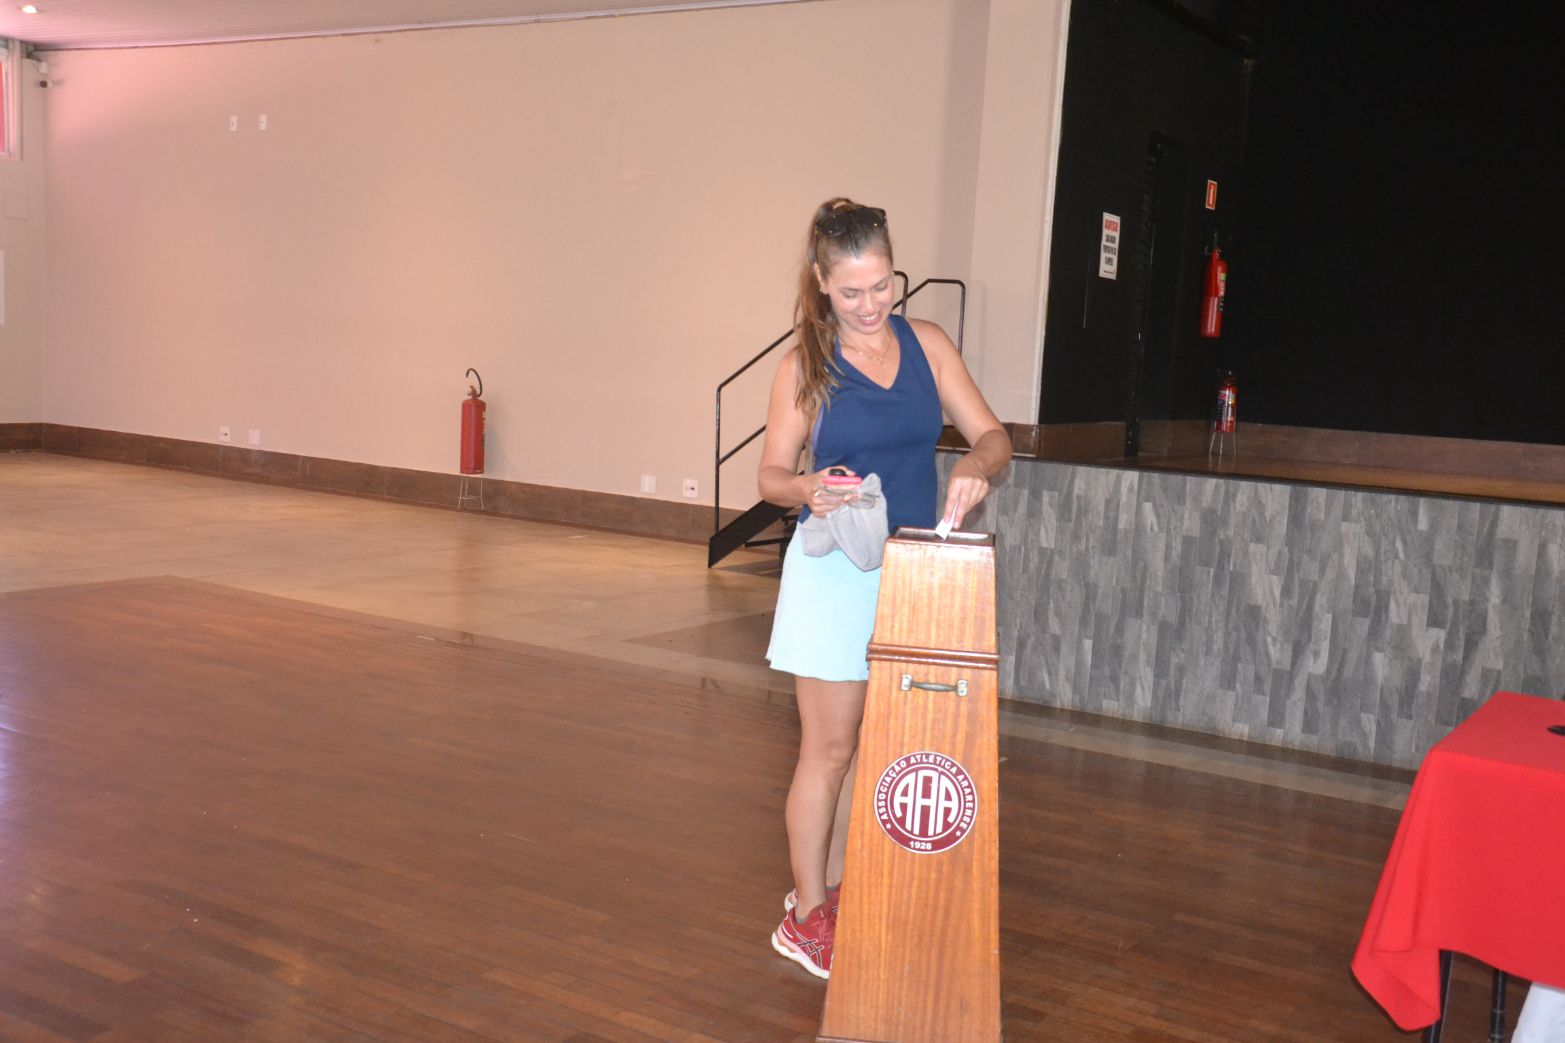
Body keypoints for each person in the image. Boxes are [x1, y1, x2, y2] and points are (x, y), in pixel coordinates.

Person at [757, 198, 1012, 978]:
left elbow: (994, 436)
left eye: (881, 286)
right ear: (820, 282)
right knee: (828, 749)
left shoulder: (926, 343)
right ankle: (804, 916)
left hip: (909, 570)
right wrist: (805, 488)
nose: (870, 306)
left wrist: (975, 465)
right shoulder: (803, 367)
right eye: (851, 292)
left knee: (875, 748)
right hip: (833, 569)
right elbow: (769, 476)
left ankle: (833, 890)